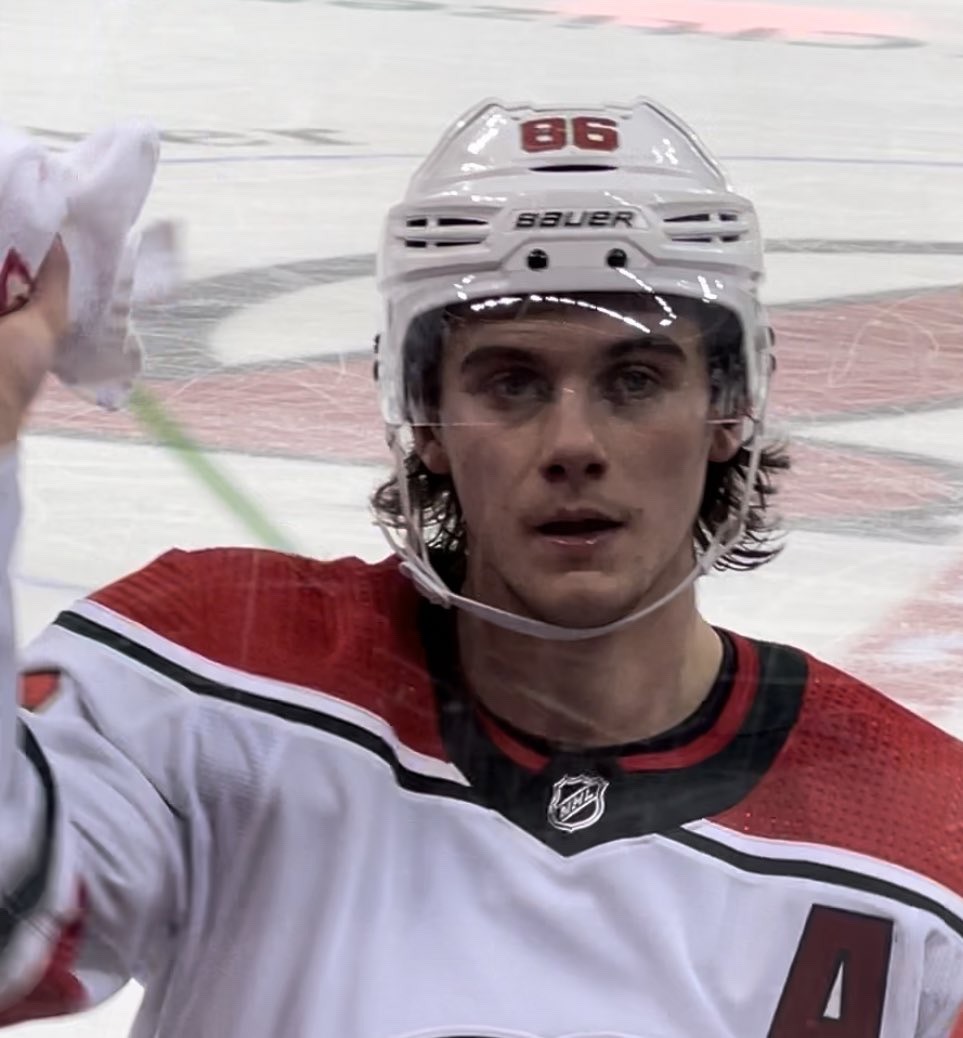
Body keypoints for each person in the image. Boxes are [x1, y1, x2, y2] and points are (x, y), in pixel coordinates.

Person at [0, 98, 959, 1037]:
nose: (573, 442)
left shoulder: (924, 845)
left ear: (727, 409)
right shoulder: (210, 681)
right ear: (425, 419)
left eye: (635, 380)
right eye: (511, 382)